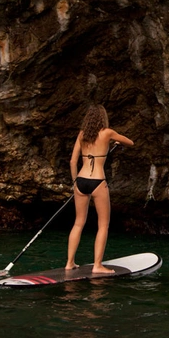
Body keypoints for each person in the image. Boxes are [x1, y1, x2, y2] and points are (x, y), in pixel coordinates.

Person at [66, 104, 134, 273]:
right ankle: (97, 265)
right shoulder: (108, 133)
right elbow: (130, 142)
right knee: (103, 225)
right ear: (102, 118)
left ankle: (69, 263)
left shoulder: (82, 135)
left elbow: (73, 162)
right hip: (97, 181)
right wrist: (117, 141)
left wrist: (75, 182)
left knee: (78, 223)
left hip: (81, 181)